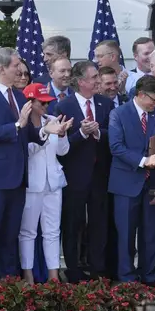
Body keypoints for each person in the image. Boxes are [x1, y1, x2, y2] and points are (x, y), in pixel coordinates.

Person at [0, 47, 66, 281]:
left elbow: (27, 133)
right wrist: (16, 125)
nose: (20, 71)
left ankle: (9, 289)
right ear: (1, 68)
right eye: (15, 66)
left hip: (18, 178)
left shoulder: (20, 95)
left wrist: (45, 130)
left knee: (10, 235)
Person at [108, 75, 155, 284]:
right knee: (126, 234)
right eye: (154, 99)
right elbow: (116, 147)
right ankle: (127, 279)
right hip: (126, 183)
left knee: (151, 233)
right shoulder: (118, 113)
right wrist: (144, 161)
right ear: (141, 95)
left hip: (154, 182)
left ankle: (150, 276)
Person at [54, 61, 114, 282]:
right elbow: (59, 145)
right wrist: (80, 133)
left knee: (99, 223)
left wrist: (98, 134)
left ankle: (98, 269)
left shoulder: (106, 104)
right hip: (74, 176)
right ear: (81, 82)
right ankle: (73, 270)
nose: (99, 80)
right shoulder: (64, 106)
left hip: (100, 174)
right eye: (94, 77)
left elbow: (115, 134)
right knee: (72, 224)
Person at [19, 83, 71, 284]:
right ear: (30, 103)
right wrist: (45, 132)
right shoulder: (23, 124)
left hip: (54, 183)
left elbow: (63, 151)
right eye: (42, 103)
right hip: (32, 182)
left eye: (48, 103)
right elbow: (29, 151)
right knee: (28, 231)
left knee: (52, 230)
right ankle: (28, 274)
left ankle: (54, 276)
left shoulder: (51, 120)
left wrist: (62, 133)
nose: (46, 108)